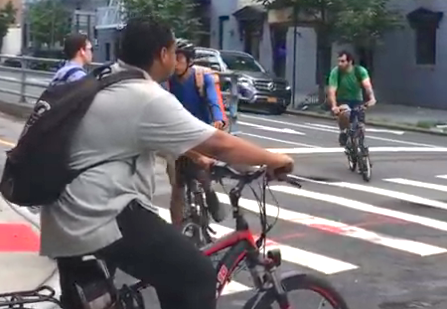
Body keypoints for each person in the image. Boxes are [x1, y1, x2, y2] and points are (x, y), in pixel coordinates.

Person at [40, 16, 294, 309]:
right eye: (174, 52)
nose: (176, 59)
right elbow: (219, 143)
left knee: (167, 276)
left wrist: (198, 156)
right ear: (162, 54)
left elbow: (159, 139)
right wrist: (276, 159)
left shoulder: (105, 78)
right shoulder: (145, 95)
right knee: (198, 276)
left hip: (63, 212)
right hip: (100, 213)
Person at [164, 38, 226, 226]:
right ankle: (177, 228)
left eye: (180, 59)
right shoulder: (167, 82)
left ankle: (209, 192)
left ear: (189, 60)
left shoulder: (202, 78)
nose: (175, 63)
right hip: (177, 135)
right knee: (177, 187)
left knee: (203, 175)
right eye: (173, 58)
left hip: (200, 131)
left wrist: (219, 120)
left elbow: (214, 100)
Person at [327, 51, 377, 147]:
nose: (339, 64)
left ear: (350, 62)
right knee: (344, 113)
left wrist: (372, 98)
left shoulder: (359, 71)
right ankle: (343, 132)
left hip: (357, 100)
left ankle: (361, 149)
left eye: (342, 61)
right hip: (342, 99)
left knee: (360, 125)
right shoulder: (336, 72)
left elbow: (367, 85)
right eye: (339, 61)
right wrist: (334, 106)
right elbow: (332, 90)